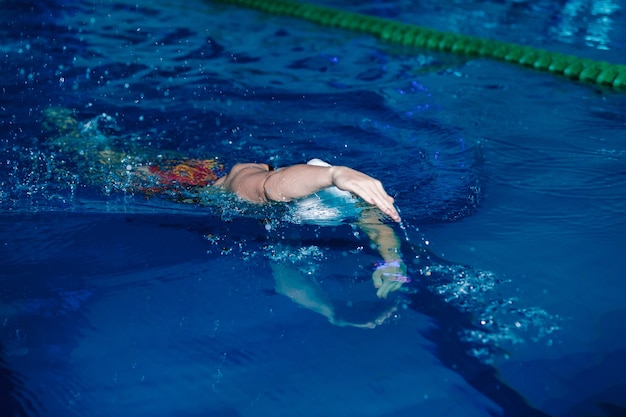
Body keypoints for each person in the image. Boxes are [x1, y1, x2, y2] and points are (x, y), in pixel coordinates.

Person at [42, 107, 409, 327]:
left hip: (228, 171)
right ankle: (66, 128)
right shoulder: (257, 191)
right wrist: (335, 173)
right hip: (183, 184)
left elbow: (289, 281)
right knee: (99, 162)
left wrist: (384, 266)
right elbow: (271, 187)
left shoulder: (343, 207)